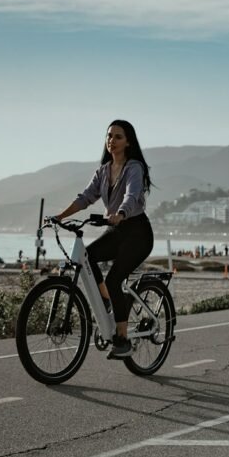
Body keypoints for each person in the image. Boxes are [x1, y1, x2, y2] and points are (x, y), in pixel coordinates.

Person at [52, 119, 154, 359]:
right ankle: (110, 302)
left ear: (128, 142)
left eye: (118, 136)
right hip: (116, 231)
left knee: (114, 278)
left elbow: (132, 194)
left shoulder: (134, 167)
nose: (112, 140)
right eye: (109, 136)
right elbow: (86, 197)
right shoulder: (103, 171)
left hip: (137, 233)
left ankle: (122, 338)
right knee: (86, 257)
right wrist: (59, 216)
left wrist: (120, 213)